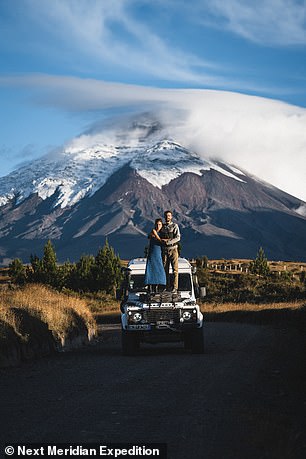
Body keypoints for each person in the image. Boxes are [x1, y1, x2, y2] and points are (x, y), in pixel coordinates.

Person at [160, 210, 181, 292]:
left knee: (175, 270)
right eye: (166, 215)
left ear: (171, 217)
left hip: (173, 250)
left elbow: (178, 237)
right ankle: (166, 286)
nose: (167, 217)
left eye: (168, 215)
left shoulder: (174, 226)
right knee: (165, 270)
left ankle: (175, 287)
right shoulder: (162, 226)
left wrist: (168, 241)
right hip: (164, 250)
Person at [144, 218, 166, 292]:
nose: (158, 226)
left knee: (159, 268)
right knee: (151, 268)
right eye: (156, 224)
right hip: (152, 252)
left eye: (159, 224)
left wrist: (156, 235)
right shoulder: (152, 233)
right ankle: (151, 286)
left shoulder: (163, 233)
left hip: (159, 252)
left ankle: (160, 285)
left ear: (162, 225)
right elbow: (149, 237)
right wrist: (155, 234)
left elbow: (162, 241)